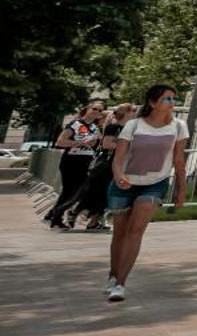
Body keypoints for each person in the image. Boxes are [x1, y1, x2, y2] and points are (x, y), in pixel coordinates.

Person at [105, 85, 189, 302]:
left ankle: (121, 283)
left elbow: (179, 161)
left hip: (155, 183)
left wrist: (181, 190)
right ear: (152, 103)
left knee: (136, 231)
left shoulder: (179, 126)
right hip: (125, 183)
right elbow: (119, 157)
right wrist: (118, 175)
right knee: (120, 234)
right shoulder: (134, 125)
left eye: (173, 99)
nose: (172, 103)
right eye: (166, 99)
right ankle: (113, 274)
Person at [45, 100, 106, 230]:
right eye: (94, 109)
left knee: (76, 191)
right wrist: (80, 143)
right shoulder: (75, 124)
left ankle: (53, 214)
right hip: (71, 161)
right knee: (71, 192)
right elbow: (60, 142)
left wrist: (94, 143)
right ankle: (56, 217)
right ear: (87, 109)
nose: (97, 112)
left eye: (100, 110)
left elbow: (95, 144)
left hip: (85, 161)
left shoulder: (95, 128)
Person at [77, 103, 136, 232]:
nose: (135, 113)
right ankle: (79, 212)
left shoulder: (127, 128)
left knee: (105, 194)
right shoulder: (114, 127)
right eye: (133, 111)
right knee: (100, 191)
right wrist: (127, 147)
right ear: (126, 113)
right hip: (107, 163)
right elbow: (106, 144)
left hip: (117, 163)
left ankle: (94, 220)